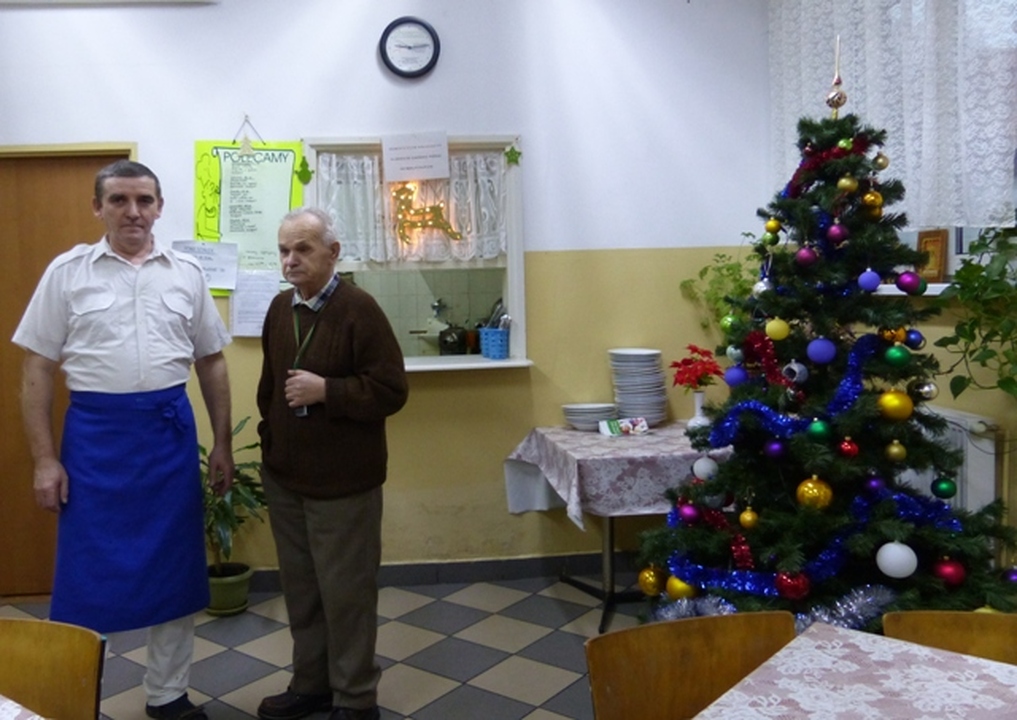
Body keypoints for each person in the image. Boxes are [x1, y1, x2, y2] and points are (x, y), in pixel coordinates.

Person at [12, 159, 234, 720]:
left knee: (175, 569)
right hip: (95, 445)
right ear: (98, 207)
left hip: (167, 441)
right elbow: (37, 368)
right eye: (118, 200)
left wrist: (223, 444)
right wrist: (44, 460)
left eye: (144, 200)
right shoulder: (67, 273)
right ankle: (72, 694)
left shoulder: (186, 273)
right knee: (87, 575)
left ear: (159, 207)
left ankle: (168, 695)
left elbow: (211, 362)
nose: (133, 211)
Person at [256, 207, 408, 720]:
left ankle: (355, 698)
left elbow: (391, 390)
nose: (291, 259)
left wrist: (328, 392)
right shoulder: (280, 308)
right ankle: (312, 684)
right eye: (284, 250)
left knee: (346, 596)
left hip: (344, 484)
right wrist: (271, 444)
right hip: (286, 480)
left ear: (333, 252)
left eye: (303, 249)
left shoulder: (359, 309)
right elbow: (269, 389)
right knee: (302, 593)